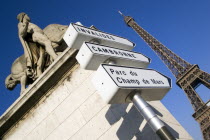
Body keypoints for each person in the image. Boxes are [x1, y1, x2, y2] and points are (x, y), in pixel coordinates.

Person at [17, 12, 58, 77]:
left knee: (42, 55)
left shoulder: (29, 23)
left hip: (40, 35)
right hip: (35, 35)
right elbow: (22, 34)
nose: (28, 15)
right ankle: (55, 57)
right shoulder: (21, 24)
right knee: (47, 42)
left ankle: (39, 71)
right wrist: (26, 25)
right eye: (27, 15)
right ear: (23, 17)